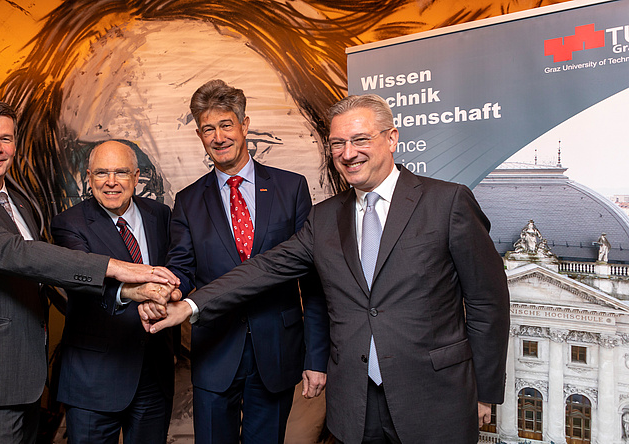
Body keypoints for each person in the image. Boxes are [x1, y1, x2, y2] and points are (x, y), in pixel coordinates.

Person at [144, 94, 510, 444]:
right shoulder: (324, 218)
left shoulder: (448, 202)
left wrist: (485, 392)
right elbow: (265, 268)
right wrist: (189, 307)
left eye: (360, 139)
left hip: (435, 399)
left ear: (392, 138)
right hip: (355, 405)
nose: (348, 154)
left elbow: (487, 302)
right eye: (337, 144)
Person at [0, 100, 178, 444]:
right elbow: (15, 254)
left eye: (6, 138)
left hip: (24, 381)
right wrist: (116, 268)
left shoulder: (17, 199)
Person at [163, 79, 328, 443]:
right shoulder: (188, 201)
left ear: (244, 125)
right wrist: (162, 292)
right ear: (199, 134)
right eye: (209, 129)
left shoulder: (291, 188)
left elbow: (313, 281)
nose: (219, 137)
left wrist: (316, 358)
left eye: (226, 125)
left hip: (278, 351)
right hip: (214, 351)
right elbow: (181, 268)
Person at [50, 140, 177, 443]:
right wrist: (137, 291)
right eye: (101, 173)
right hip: (94, 378)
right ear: (89, 177)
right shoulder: (69, 224)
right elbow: (83, 282)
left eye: (120, 173)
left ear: (136, 177)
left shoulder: (160, 215)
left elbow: (177, 268)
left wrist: (169, 295)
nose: (110, 182)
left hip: (153, 374)